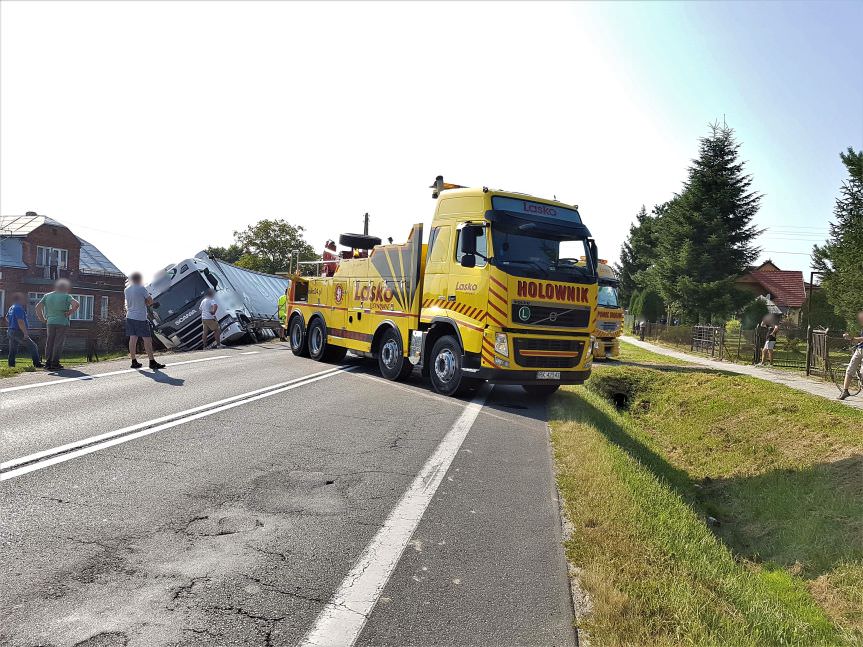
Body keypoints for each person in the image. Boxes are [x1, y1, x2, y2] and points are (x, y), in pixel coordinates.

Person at [35, 279, 79, 371]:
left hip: (50, 322)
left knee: (49, 342)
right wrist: (70, 312)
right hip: (62, 322)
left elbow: (38, 307)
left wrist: (42, 319)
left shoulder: (47, 296)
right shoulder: (67, 296)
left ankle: (48, 363)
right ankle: (55, 363)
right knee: (58, 343)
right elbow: (76, 304)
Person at [125, 272, 166, 370]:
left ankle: (134, 361)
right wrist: (148, 303)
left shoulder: (126, 290)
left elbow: (135, 301)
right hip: (140, 318)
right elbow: (150, 301)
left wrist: (144, 301)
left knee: (133, 339)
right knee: (147, 340)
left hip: (130, 316)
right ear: (139, 279)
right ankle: (152, 362)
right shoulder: (141, 288)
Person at [6, 292, 43, 368]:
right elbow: (20, 321)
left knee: (13, 349)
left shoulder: (12, 307)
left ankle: (11, 365)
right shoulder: (18, 308)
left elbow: (6, 318)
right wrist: (25, 333)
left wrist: (12, 323)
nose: (25, 300)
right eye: (23, 299)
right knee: (33, 346)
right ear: (19, 300)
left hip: (11, 331)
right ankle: (37, 364)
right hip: (18, 331)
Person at [838, 310, 863, 400]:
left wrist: (853, 338)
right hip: (860, 350)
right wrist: (853, 340)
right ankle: (845, 391)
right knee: (850, 370)